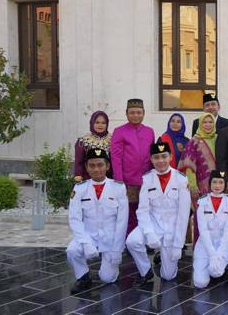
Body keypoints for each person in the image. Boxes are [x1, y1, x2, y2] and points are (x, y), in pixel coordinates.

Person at [125, 142, 191, 285]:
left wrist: (178, 245)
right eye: (156, 157)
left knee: (168, 276)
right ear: (151, 159)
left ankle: (162, 255)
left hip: (172, 228)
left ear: (171, 157)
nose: (160, 161)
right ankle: (145, 271)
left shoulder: (181, 179)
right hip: (153, 222)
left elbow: (183, 215)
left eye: (164, 156)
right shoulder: (147, 178)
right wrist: (149, 233)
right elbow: (142, 210)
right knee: (132, 241)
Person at [67, 148, 128, 293]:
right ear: (87, 167)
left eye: (100, 165)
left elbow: (122, 221)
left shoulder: (118, 187)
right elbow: (74, 218)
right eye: (92, 165)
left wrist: (117, 250)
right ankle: (83, 277)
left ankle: (111, 268)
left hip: (110, 238)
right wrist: (86, 243)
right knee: (72, 251)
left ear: (107, 166)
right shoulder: (80, 188)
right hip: (89, 235)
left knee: (107, 278)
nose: (96, 169)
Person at [111, 99, 155, 236]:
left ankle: (144, 238)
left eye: (139, 112)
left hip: (146, 180)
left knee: (146, 211)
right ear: (126, 114)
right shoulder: (119, 131)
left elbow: (152, 156)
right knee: (130, 213)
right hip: (128, 181)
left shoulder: (149, 131)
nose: (135, 115)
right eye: (132, 113)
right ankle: (131, 242)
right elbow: (116, 157)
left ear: (143, 113)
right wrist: (119, 180)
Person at [178, 113, 218, 243]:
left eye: (210, 122)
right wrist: (193, 185)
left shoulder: (218, 139)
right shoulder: (193, 142)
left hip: (218, 187)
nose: (208, 125)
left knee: (216, 220)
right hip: (200, 188)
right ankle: (200, 250)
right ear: (200, 124)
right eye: (204, 122)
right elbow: (188, 166)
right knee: (200, 219)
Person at [193, 170, 228, 289]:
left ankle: (220, 262)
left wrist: (220, 253)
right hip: (205, 244)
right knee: (200, 283)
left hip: (223, 245)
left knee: (215, 272)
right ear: (209, 184)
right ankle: (208, 263)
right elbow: (203, 230)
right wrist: (212, 253)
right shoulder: (202, 202)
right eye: (214, 182)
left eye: (221, 182)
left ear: (225, 184)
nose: (217, 186)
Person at [74, 111, 113, 182]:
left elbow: (115, 162)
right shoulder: (83, 141)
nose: (100, 125)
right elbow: (79, 162)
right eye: (97, 122)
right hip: (88, 180)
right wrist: (78, 175)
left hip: (108, 181)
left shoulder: (113, 140)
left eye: (103, 123)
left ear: (107, 124)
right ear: (92, 123)